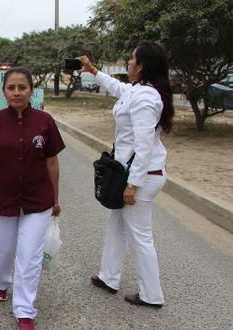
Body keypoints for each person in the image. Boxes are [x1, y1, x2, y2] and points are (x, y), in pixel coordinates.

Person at [79, 40, 174, 309]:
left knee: (140, 235)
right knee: (117, 224)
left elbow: (144, 145)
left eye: (132, 59)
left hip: (141, 177)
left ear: (141, 65)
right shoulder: (138, 90)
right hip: (133, 173)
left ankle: (151, 295)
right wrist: (93, 71)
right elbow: (118, 88)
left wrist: (132, 185)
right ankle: (109, 277)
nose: (128, 62)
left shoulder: (145, 97)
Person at [0, 67, 64, 330]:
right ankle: (0, 281)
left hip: (37, 200)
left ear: (31, 90)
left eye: (22, 87)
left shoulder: (45, 121)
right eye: (11, 88)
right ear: (4, 91)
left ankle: (24, 309)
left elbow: (52, 161)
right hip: (0, 198)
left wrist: (55, 199)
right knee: (2, 251)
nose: (16, 93)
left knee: (29, 256)